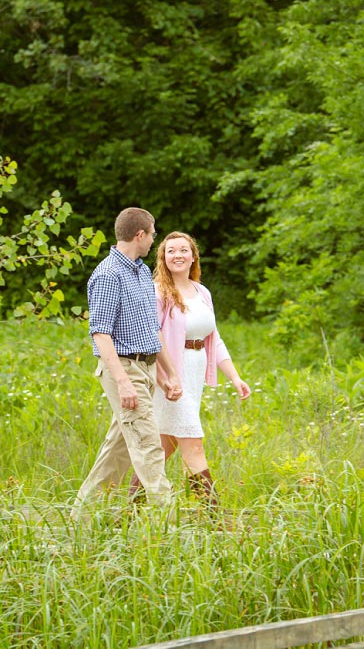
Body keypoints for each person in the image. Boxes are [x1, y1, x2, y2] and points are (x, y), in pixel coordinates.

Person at [129, 231, 250, 513]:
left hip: (194, 374)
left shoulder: (202, 292)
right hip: (171, 375)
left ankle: (128, 514)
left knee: (164, 446)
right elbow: (152, 335)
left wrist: (235, 377)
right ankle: (214, 521)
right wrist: (166, 377)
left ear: (193, 256)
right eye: (171, 251)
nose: (178, 255)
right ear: (163, 257)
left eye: (183, 250)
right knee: (192, 445)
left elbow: (214, 339)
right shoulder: (158, 291)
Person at [73, 208, 183, 514]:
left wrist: (168, 373)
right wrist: (123, 382)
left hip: (146, 367)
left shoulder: (140, 271)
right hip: (124, 370)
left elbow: (152, 328)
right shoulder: (108, 275)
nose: (153, 239)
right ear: (140, 235)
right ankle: (170, 524)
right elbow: (100, 334)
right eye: (153, 233)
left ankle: (81, 519)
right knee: (149, 446)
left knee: (117, 452)